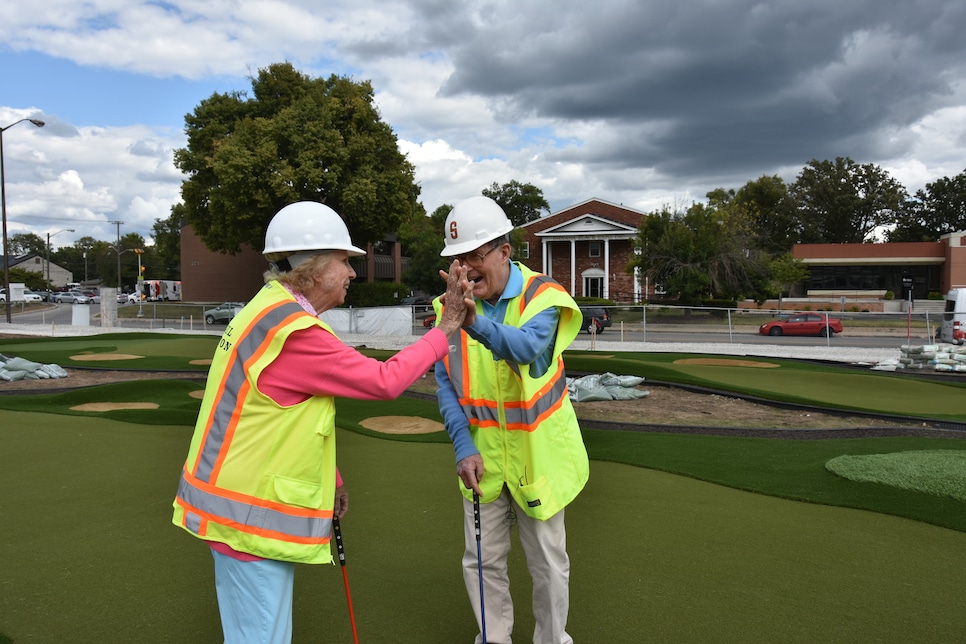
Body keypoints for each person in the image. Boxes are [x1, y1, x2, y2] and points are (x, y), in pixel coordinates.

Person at [172, 201, 471, 643]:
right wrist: (444, 329)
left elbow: (287, 412)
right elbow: (385, 381)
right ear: (312, 268)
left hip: (233, 507)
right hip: (247, 516)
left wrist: (328, 477)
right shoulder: (295, 333)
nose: (352, 272)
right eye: (344, 260)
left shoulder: (268, 309)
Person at [432, 196, 589, 644]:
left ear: (505, 250)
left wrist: (472, 321)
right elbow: (446, 382)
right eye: (458, 258)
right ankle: (493, 639)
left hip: (538, 461)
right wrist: (462, 446)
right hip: (483, 463)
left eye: (475, 255)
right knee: (481, 561)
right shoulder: (450, 307)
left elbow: (525, 350)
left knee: (548, 565)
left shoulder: (545, 297)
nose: (466, 267)